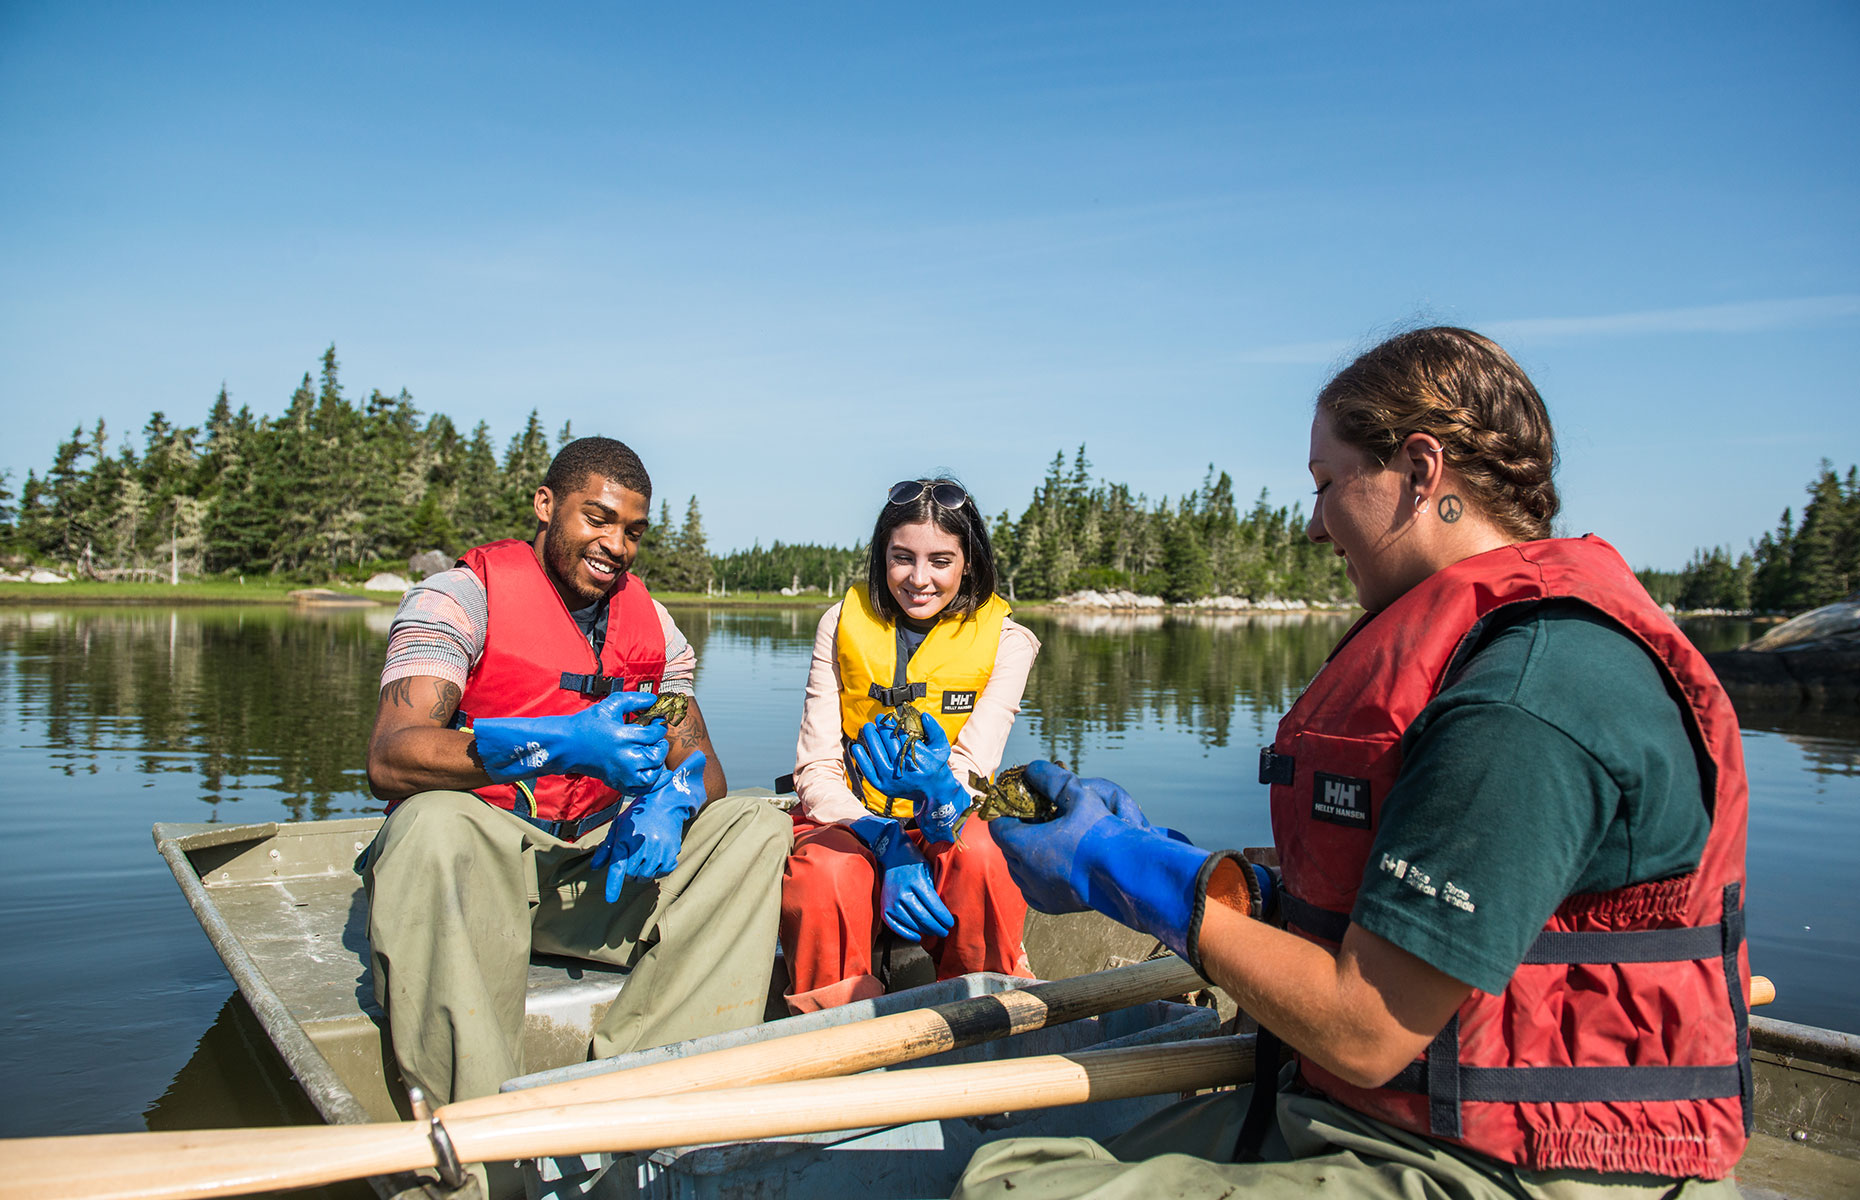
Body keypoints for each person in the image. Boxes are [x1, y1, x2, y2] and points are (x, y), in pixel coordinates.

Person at [960, 328, 1750, 1199]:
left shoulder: (1526, 695)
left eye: (1327, 484)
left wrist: (1119, 870)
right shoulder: (1488, 655)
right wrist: (1193, 869)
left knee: (1010, 1189)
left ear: (1420, 472)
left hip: (1508, 1166)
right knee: (1013, 1162)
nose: (1311, 523)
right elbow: (1392, 910)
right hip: (1376, 1113)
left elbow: (1365, 1026)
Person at [363, 436, 790, 1109]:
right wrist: (557, 742)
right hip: (476, 873)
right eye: (598, 519)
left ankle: (647, 1102)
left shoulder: (653, 624)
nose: (616, 545)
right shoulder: (458, 598)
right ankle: (482, 1143)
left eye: (633, 531)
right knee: (431, 822)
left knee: (757, 822)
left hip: (597, 870)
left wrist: (675, 799)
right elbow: (390, 758)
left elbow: (703, 768)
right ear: (545, 504)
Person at [781, 477, 1041, 1012]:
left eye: (940, 561)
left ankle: (984, 1011)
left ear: (968, 561)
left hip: (946, 807)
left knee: (986, 858)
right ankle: (832, 1028)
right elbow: (817, 770)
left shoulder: (1009, 642)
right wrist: (885, 840)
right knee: (827, 874)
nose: (919, 579)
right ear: (882, 557)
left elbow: (972, 767)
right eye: (902, 558)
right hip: (849, 817)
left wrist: (938, 792)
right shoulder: (838, 623)